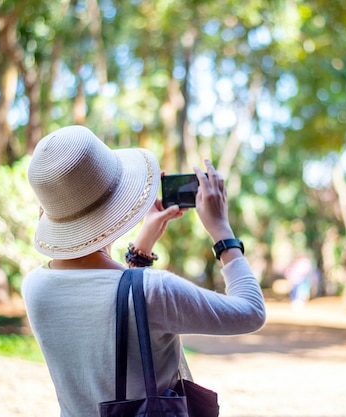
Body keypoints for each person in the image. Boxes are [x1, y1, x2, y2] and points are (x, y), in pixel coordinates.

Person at [21, 125, 266, 417]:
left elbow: (112, 307)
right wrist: (222, 231)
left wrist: (142, 248)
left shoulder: (34, 286)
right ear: (116, 205)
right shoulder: (157, 290)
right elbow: (251, 312)